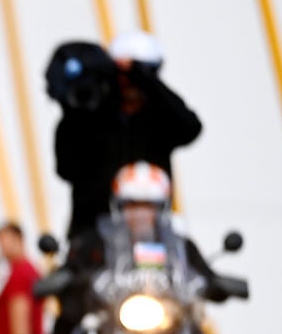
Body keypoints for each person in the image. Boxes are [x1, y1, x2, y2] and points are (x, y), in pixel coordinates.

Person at [50, 31, 201, 241]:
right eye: (120, 76)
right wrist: (78, 106)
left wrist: (146, 80)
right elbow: (66, 167)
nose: (128, 83)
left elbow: (190, 128)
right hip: (93, 235)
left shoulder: (161, 118)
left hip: (150, 233)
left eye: (137, 75)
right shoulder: (90, 117)